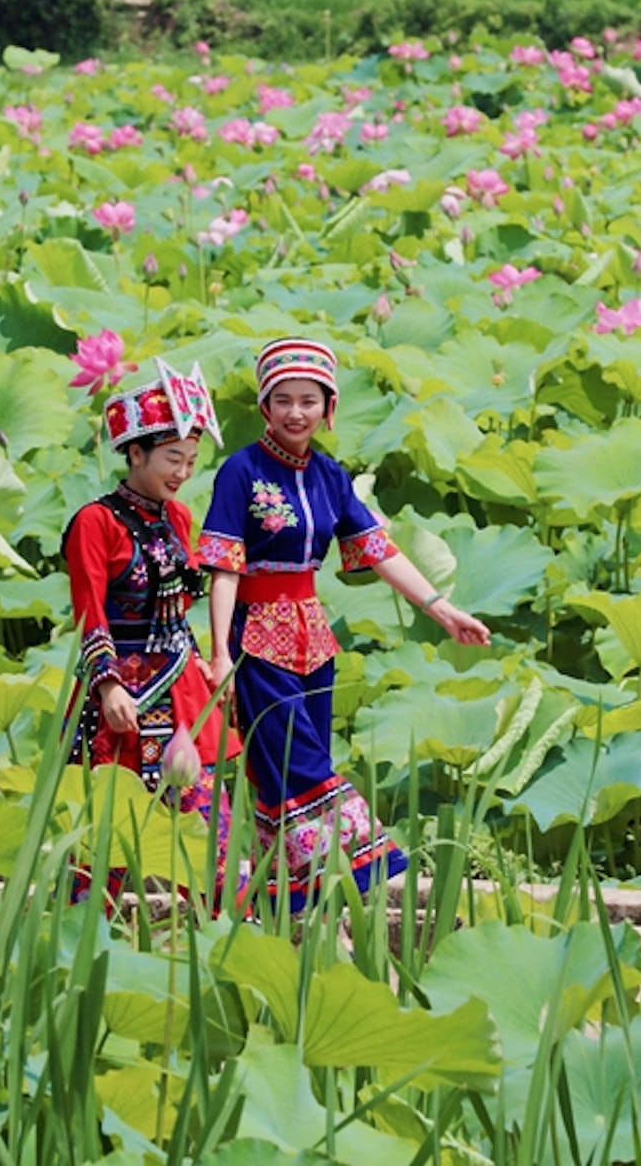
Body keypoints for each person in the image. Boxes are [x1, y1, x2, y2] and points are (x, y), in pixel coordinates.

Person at [197, 337, 489, 917]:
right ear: (264, 405)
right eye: (283, 399)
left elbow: (380, 551)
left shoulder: (331, 476)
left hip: (313, 639)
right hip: (255, 640)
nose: (296, 412)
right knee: (297, 765)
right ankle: (360, 868)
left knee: (288, 777)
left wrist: (442, 608)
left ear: (328, 406)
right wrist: (219, 654)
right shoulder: (240, 471)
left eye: (309, 399)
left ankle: (289, 902)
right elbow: (224, 567)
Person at [62, 358, 241, 899]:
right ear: (134, 453)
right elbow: (88, 608)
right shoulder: (95, 522)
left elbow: (186, 598)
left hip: (181, 682)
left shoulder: (178, 518)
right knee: (108, 830)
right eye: (171, 458)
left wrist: (217, 657)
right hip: (120, 690)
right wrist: (108, 683)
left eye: (190, 460)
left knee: (208, 823)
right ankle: (89, 932)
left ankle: (223, 922)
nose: (182, 472)